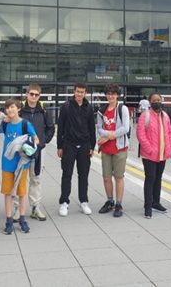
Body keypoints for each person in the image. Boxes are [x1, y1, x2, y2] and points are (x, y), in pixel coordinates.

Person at [0, 98, 39, 235]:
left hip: (22, 164)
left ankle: (22, 219)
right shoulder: (4, 125)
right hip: (7, 163)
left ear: (18, 109)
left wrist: (28, 146)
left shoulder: (25, 124)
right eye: (7, 108)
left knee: (22, 193)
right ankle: (9, 220)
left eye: (12, 107)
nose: (10, 110)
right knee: (8, 192)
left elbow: (36, 139)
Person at [57, 83, 96, 217]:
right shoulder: (66, 107)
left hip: (84, 145)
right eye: (78, 92)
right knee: (67, 174)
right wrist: (59, 146)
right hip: (69, 145)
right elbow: (60, 127)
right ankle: (64, 202)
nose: (80, 94)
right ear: (74, 92)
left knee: (83, 175)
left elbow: (92, 128)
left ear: (85, 93)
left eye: (82, 92)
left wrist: (92, 146)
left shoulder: (89, 108)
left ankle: (84, 201)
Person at [20, 84, 55, 221]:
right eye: (31, 94)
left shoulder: (44, 111)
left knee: (36, 179)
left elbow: (51, 128)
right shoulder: (20, 110)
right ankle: (17, 208)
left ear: (39, 96)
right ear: (27, 94)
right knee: (20, 179)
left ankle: (35, 208)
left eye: (36, 94)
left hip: (38, 150)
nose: (33, 97)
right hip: (22, 151)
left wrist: (43, 142)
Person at [136, 92, 171, 219]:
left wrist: (170, 148)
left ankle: (156, 202)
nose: (157, 102)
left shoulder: (165, 116)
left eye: (159, 99)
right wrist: (149, 149)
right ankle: (147, 206)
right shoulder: (145, 116)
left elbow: (169, 133)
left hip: (163, 153)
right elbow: (140, 135)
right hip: (150, 154)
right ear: (150, 102)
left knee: (158, 178)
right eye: (154, 100)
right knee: (150, 178)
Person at [96, 84, 130, 218]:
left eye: (113, 93)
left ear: (117, 95)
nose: (110, 96)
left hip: (119, 148)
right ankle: (110, 201)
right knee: (106, 177)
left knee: (119, 177)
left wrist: (109, 136)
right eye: (108, 93)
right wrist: (106, 135)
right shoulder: (101, 110)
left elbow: (125, 128)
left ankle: (119, 204)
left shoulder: (122, 109)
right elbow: (99, 128)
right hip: (106, 149)